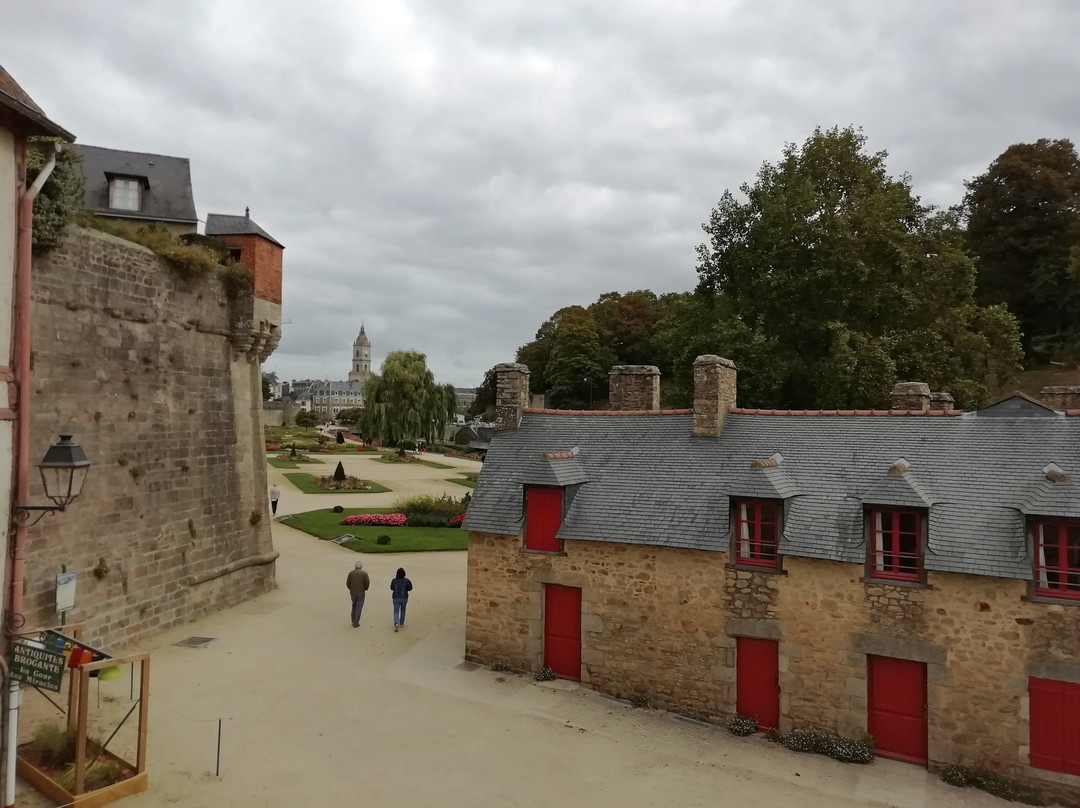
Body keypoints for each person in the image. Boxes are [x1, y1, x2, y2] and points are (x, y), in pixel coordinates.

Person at [346, 561, 370, 627]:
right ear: (361, 566)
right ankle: (356, 622)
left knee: (354, 606)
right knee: (358, 607)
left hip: (353, 592)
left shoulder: (351, 573)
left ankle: (353, 620)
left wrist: (351, 588)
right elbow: (367, 583)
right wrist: (365, 588)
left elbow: (348, 583)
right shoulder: (364, 574)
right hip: (361, 593)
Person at [390, 567, 413, 632]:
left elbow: (391, 588)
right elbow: (410, 588)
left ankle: (396, 622)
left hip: (396, 597)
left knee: (396, 611)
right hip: (404, 597)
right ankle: (401, 623)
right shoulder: (407, 581)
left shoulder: (394, 580)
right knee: (403, 610)